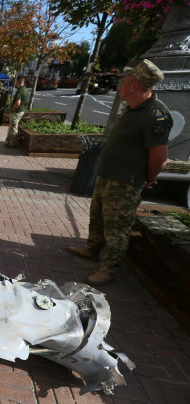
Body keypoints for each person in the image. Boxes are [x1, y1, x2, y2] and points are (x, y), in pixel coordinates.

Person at [67, 60, 172, 286]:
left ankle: (109, 268)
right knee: (98, 216)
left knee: (117, 227)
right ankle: (92, 249)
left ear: (135, 86)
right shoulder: (133, 109)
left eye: (125, 81)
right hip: (108, 177)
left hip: (125, 182)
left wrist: (149, 178)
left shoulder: (155, 115)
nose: (120, 86)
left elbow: (160, 157)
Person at [4, 75, 29, 148]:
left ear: (18, 82)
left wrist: (12, 110)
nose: (15, 84)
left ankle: (13, 143)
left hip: (17, 111)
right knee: (12, 126)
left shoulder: (20, 90)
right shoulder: (25, 90)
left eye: (15, 82)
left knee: (13, 127)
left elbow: (18, 103)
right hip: (21, 111)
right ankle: (8, 141)